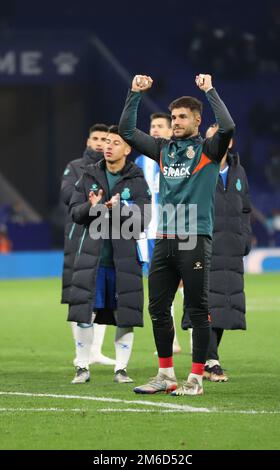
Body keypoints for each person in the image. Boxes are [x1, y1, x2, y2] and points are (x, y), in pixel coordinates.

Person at [119, 73, 235, 396]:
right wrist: (134, 94)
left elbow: (227, 126)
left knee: (197, 309)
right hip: (165, 238)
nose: (176, 121)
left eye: (183, 116)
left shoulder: (209, 149)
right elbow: (127, 131)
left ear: (197, 120)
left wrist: (210, 90)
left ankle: (196, 379)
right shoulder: (163, 150)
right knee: (157, 307)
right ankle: (166, 374)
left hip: (195, 237)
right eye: (173, 117)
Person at [68, 125, 151, 384]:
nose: (107, 146)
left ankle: (121, 369)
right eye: (105, 141)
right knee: (85, 313)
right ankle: (82, 366)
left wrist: (119, 209)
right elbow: (74, 212)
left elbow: (144, 219)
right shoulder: (88, 175)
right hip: (92, 259)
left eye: (114, 142)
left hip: (123, 260)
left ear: (127, 149)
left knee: (124, 315)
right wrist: (91, 206)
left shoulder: (137, 179)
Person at [197, 123, 251, 382]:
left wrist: (245, 239)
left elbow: (246, 209)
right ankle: (210, 361)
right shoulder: (196, 170)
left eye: (221, 138)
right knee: (206, 306)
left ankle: (210, 359)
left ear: (229, 143)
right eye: (211, 139)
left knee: (225, 306)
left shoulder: (239, 171)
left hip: (231, 252)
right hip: (204, 248)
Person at [61, 123, 115, 367]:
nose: (100, 143)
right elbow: (66, 196)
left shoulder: (113, 169)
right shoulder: (75, 167)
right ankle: (80, 351)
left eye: (105, 139)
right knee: (80, 297)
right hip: (79, 239)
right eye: (96, 138)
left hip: (105, 239)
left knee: (102, 296)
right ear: (88, 141)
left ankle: (96, 351)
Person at [135, 112, 184, 354]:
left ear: (170, 129)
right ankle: (172, 341)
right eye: (152, 125)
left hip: (178, 230)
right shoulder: (139, 163)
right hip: (149, 234)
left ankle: (201, 343)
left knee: (190, 287)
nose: (154, 130)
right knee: (163, 290)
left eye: (160, 126)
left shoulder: (179, 157)